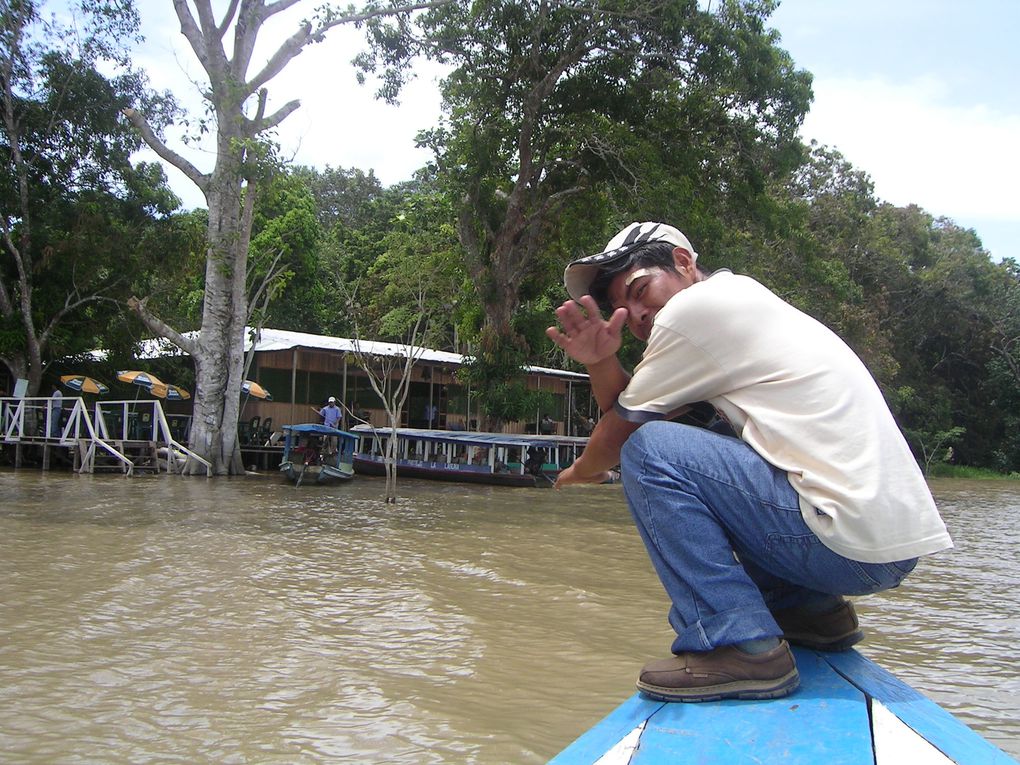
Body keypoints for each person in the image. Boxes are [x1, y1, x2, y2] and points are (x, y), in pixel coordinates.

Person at [546, 221, 953, 703]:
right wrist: (600, 360)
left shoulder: (694, 311)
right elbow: (635, 410)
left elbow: (622, 435)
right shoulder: (738, 303)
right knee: (699, 432)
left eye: (639, 290)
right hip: (881, 546)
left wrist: (577, 474)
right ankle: (810, 612)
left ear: (683, 263)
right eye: (622, 308)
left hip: (843, 542)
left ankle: (741, 646)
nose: (635, 314)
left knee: (651, 451)